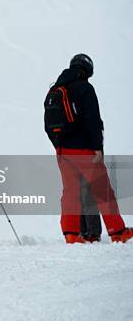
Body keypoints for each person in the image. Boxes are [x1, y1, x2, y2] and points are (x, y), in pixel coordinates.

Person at [45, 54, 132, 243]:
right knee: (103, 191)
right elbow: (93, 120)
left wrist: (59, 146)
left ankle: (71, 234)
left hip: (63, 151)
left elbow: (48, 126)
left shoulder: (55, 89)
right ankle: (117, 232)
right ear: (87, 70)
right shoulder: (85, 88)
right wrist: (97, 147)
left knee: (70, 192)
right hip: (84, 150)